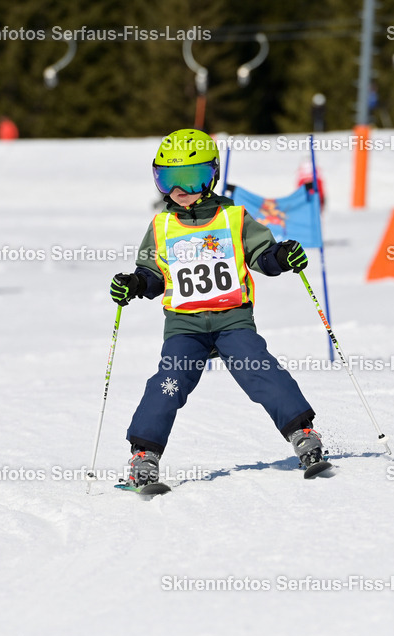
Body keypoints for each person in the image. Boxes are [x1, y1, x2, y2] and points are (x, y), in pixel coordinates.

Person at [109, 129, 324, 488]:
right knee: (169, 382)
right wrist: (135, 283)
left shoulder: (232, 216)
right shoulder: (161, 225)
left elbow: (262, 255)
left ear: (211, 177)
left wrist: (281, 256)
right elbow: (152, 274)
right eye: (169, 179)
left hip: (232, 321)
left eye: (191, 177)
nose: (180, 188)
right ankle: (143, 454)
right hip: (185, 326)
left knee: (260, 370)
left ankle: (303, 433)